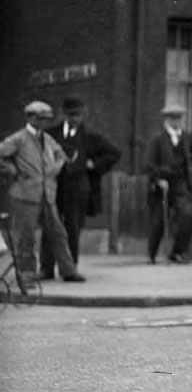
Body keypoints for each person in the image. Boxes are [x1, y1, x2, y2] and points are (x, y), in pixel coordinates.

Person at [0, 101, 86, 287]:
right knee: (26, 238)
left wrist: (55, 168)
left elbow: (61, 155)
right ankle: (26, 276)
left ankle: (68, 271)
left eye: (47, 119)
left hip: (47, 194)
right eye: (41, 118)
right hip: (24, 195)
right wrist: (12, 170)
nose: (45, 122)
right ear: (30, 118)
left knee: (58, 233)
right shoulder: (18, 139)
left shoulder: (47, 139)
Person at [41, 95, 120, 278]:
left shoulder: (91, 137)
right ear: (63, 114)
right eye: (70, 115)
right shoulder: (51, 134)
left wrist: (95, 164)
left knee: (73, 227)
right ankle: (46, 269)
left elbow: (115, 153)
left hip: (78, 188)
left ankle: (70, 269)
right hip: (54, 186)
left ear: (83, 115)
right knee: (49, 226)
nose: (75, 119)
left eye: (78, 115)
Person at [144, 103, 192, 264]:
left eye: (178, 117)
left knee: (186, 215)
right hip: (162, 185)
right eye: (172, 117)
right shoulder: (157, 139)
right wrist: (158, 179)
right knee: (159, 220)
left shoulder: (186, 137)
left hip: (181, 183)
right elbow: (149, 164)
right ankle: (152, 254)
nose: (176, 120)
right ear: (166, 119)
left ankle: (177, 252)